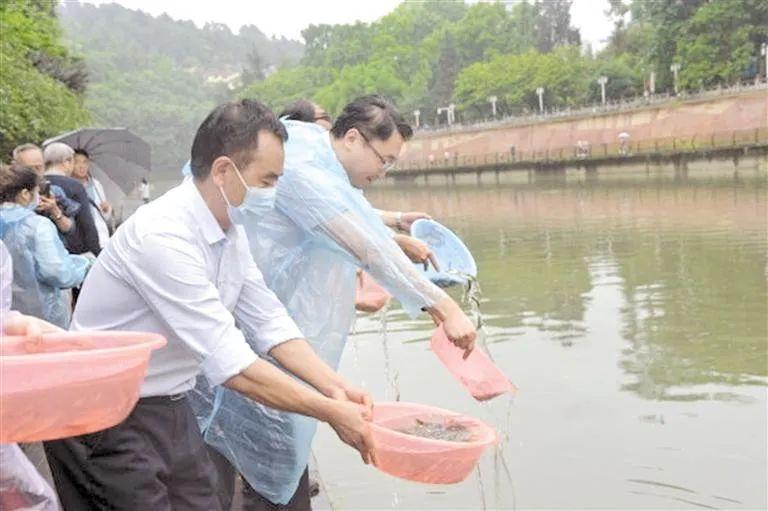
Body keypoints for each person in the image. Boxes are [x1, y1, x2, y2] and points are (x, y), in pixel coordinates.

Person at [42, 99, 376, 511]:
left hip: (168, 401)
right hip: (101, 414)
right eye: (267, 180)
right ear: (223, 171)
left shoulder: (231, 233)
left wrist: (336, 386)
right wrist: (331, 411)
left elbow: (269, 321)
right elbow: (232, 364)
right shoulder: (162, 236)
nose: (273, 193)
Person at [200, 95, 476, 508]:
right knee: (240, 466)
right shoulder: (302, 167)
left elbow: (356, 223)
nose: (385, 171)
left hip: (275, 333)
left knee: (272, 458)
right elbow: (363, 246)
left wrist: (397, 234)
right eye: (385, 160)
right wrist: (444, 306)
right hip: (244, 344)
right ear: (352, 138)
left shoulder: (317, 158)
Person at [0, 165, 90, 328]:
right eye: (36, 192)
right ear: (25, 194)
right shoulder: (37, 226)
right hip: (40, 320)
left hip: (5, 323)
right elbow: (58, 272)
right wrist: (83, 266)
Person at [42, 143, 101, 256]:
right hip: (72, 251)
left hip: (44, 249)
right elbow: (87, 224)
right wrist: (96, 252)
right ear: (66, 162)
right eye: (73, 162)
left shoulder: (36, 184)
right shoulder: (75, 186)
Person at [12, 144, 77, 237]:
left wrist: (55, 211)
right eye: (29, 168)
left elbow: (69, 229)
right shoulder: (8, 194)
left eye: (38, 167)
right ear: (16, 167)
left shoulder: (54, 192)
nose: (34, 173)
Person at [72, 148, 111, 248]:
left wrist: (107, 209)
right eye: (77, 162)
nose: (82, 166)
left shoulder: (96, 185)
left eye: (85, 162)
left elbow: (104, 216)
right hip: (80, 238)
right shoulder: (69, 186)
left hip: (101, 236)